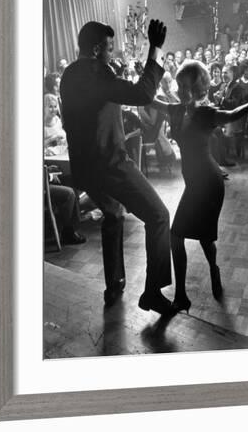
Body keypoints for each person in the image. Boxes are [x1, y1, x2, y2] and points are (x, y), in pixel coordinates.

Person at [60, 19, 173, 314]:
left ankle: (114, 284)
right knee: (159, 216)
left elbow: (95, 100)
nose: (112, 54)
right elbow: (142, 95)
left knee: (112, 216)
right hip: (109, 163)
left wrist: (113, 73)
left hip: (85, 166)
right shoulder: (98, 73)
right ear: (97, 49)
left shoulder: (70, 74)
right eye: (109, 49)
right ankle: (152, 292)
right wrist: (156, 49)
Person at [153, 62, 248, 312]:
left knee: (203, 239)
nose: (182, 91)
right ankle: (182, 296)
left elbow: (232, 115)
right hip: (193, 184)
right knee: (178, 237)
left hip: (209, 184)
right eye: (180, 86)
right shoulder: (175, 110)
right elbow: (150, 100)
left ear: (198, 87)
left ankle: (212, 269)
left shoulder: (207, 113)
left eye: (187, 87)